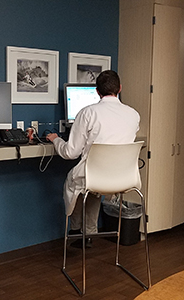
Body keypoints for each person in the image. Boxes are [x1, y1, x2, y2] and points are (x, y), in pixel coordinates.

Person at [46, 70, 140, 248]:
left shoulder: (88, 113)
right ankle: (89, 231)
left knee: (76, 182)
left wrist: (55, 139)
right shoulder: (133, 115)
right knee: (94, 185)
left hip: (95, 176)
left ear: (97, 92)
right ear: (120, 88)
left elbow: (70, 153)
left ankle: (75, 230)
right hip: (123, 178)